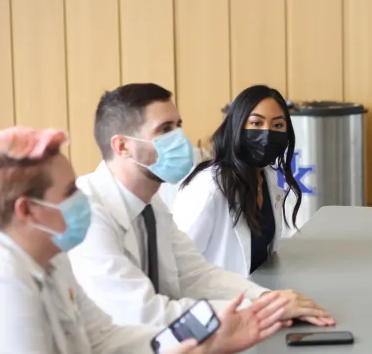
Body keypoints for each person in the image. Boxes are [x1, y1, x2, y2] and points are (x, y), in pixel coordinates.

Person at [0, 126, 290, 354]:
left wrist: (206, 339)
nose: (81, 197)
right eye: (69, 192)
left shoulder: (52, 258)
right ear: (28, 210)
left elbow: (104, 338)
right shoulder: (4, 282)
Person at [66, 83, 335, 328]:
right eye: (165, 129)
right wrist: (257, 309)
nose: (180, 138)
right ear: (123, 146)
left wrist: (268, 300)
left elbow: (196, 274)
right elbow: (141, 313)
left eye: (178, 125)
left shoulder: (152, 206)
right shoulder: (89, 212)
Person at [172, 85, 302, 277]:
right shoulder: (208, 187)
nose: (267, 134)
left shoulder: (267, 177)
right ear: (237, 126)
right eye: (256, 124)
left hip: (257, 296)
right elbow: (176, 266)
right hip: (217, 302)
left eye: (277, 126)